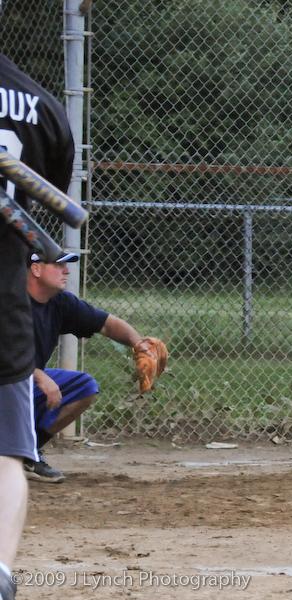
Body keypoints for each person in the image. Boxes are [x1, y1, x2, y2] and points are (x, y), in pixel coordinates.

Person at [0, 50, 76, 599]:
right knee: (5, 454)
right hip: (3, 302)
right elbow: (50, 192)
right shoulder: (40, 103)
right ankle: (0, 573)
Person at [24, 250, 150, 483]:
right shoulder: (10, 302)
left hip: (22, 381)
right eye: (58, 265)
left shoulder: (60, 303)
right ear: (36, 269)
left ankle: (27, 454)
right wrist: (39, 376)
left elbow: (107, 324)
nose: (66, 271)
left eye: (66, 265)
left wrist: (139, 344)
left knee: (84, 387)